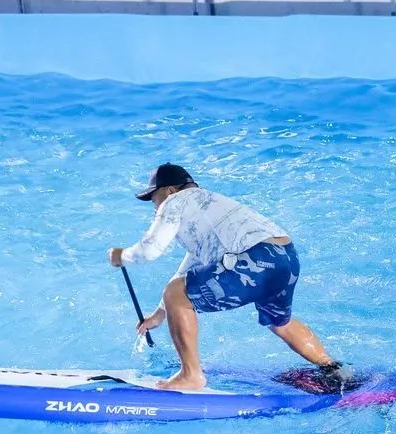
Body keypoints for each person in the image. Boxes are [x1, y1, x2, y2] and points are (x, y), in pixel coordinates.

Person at [109, 163, 344, 391]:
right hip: (286, 257)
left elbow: (149, 250)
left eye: (154, 198)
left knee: (176, 294)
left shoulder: (175, 201)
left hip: (254, 258)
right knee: (279, 322)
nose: (155, 206)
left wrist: (123, 255)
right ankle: (332, 368)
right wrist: (159, 315)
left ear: (170, 190)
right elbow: (188, 270)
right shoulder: (210, 205)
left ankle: (191, 375)